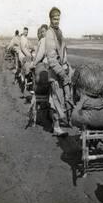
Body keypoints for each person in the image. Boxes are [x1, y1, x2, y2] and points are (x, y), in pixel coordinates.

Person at [33, 7, 73, 136]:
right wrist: (62, 74)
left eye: (58, 18)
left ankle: (66, 120)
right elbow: (51, 59)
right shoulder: (50, 34)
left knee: (67, 97)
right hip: (55, 73)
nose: (57, 21)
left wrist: (66, 65)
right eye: (55, 18)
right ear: (50, 19)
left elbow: (63, 51)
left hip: (62, 70)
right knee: (56, 99)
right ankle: (56, 127)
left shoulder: (59, 32)